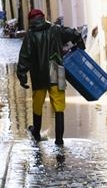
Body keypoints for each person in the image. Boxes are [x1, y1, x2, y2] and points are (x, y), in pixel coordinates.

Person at [15, 8, 85, 145]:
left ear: (30, 21)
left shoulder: (30, 35)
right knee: (59, 107)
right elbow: (74, 33)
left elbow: (24, 57)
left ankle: (36, 133)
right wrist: (80, 44)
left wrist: (22, 75)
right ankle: (59, 140)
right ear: (43, 17)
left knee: (37, 105)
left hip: (38, 74)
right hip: (56, 71)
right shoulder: (56, 29)